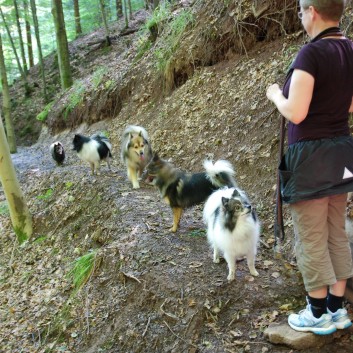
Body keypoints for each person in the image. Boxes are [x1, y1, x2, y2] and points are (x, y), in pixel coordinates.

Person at [266, 0, 353, 335]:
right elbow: (349, 104)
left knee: (311, 235)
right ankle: (337, 308)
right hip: (342, 154)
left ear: (312, 11)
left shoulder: (310, 55)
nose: (300, 17)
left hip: (311, 158)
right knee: (335, 231)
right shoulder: (349, 50)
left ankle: (316, 312)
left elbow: (297, 112)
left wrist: (275, 94)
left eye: (301, 10)